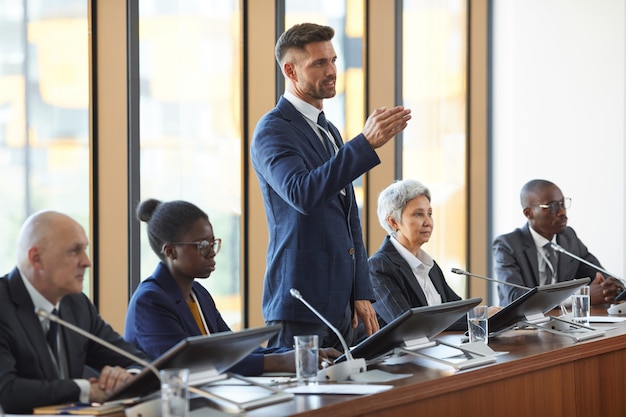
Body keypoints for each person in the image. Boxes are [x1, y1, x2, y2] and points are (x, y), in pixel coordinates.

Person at [250, 22, 411, 350]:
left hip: (342, 303)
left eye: (334, 60)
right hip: (301, 301)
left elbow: (349, 216)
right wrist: (364, 144)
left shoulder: (330, 132)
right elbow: (301, 193)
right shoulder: (272, 130)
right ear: (290, 71)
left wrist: (361, 291)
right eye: (319, 63)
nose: (332, 70)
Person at [124, 199, 339, 376]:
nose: (211, 252)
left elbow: (235, 352)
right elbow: (187, 366)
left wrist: (302, 353)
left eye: (212, 243)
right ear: (170, 252)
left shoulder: (199, 294)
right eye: (202, 246)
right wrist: (281, 362)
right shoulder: (150, 301)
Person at [0, 211, 148, 414]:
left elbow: (141, 362)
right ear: (36, 258)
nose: (87, 262)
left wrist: (127, 377)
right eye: (74, 251)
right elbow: (8, 392)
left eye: (85, 250)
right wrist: (86, 390)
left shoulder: (77, 305)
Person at [493, 179, 624, 306]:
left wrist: (611, 288)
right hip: (520, 326)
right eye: (552, 206)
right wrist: (581, 298)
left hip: (560, 324)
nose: (562, 212)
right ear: (529, 213)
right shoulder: (507, 245)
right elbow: (515, 298)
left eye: (562, 203)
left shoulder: (568, 238)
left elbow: (599, 275)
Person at [368, 179, 468, 331]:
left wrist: (485, 314)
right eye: (418, 214)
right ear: (393, 222)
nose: (428, 222)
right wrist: (476, 319)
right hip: (401, 354)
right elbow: (406, 324)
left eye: (429, 213)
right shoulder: (378, 267)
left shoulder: (430, 265)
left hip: (439, 350)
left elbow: (457, 310)